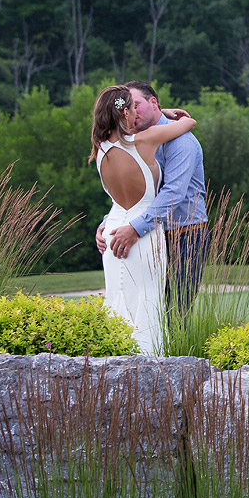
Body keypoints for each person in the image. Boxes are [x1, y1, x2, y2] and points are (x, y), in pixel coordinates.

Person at [91, 85, 197, 353]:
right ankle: (150, 364)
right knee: (149, 302)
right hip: (143, 232)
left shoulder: (100, 148)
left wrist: (105, 224)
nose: (136, 111)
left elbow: (120, 199)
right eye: (132, 107)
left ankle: (114, 360)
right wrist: (171, 114)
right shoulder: (145, 140)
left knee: (117, 299)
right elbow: (190, 122)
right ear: (125, 112)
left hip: (114, 228)